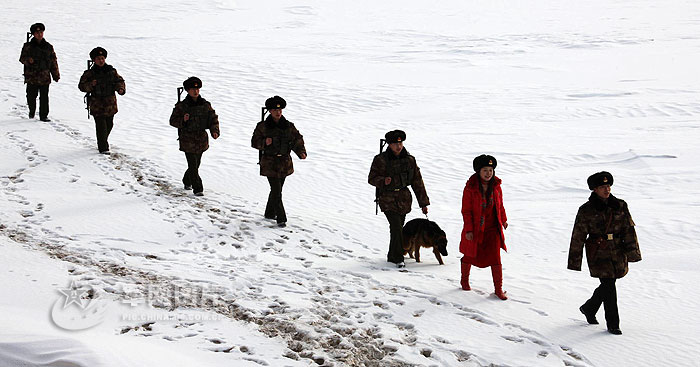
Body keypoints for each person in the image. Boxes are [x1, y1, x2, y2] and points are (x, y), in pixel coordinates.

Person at [568, 171, 641, 335]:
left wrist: (633, 253)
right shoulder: (586, 210)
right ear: (594, 189)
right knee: (608, 285)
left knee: (609, 284)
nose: (607, 190)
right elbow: (578, 235)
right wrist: (575, 261)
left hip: (617, 251)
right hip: (598, 252)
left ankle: (589, 308)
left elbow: (629, 230)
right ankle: (613, 324)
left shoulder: (620, 205)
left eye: (608, 186)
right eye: (602, 187)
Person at [368, 130, 430, 268]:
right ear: (389, 144)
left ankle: (392, 255)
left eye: (400, 143)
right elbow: (371, 179)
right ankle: (398, 257)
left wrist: (423, 203)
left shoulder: (409, 160)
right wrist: (384, 181)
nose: (398, 146)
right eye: (395, 143)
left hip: (404, 199)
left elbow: (417, 181)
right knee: (396, 227)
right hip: (387, 199)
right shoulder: (381, 159)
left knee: (398, 228)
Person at [251, 96, 306, 227]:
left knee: (277, 189)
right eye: (275, 110)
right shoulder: (263, 126)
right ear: (269, 111)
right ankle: (281, 218)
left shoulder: (288, 126)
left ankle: (269, 213)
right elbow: (254, 142)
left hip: (284, 162)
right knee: (276, 190)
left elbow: (297, 139)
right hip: (269, 162)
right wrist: (265, 142)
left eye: (280, 109)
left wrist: (301, 152)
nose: (278, 112)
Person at [459, 155, 509, 299]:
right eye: (485, 170)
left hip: (493, 229)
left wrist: (504, 220)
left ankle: (498, 289)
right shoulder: (470, 188)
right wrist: (468, 230)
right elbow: (466, 210)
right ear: (478, 171)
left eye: (490, 170)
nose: (488, 173)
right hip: (475, 229)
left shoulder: (496, 186)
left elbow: (500, 206)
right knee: (470, 255)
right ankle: (464, 281)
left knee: (495, 258)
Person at [169, 77, 220, 196]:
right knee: (193, 164)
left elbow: (213, 119)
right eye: (192, 89)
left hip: (201, 139)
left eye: (197, 89)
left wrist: (215, 131)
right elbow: (172, 121)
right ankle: (198, 188)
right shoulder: (182, 106)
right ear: (187, 90)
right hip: (188, 139)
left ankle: (187, 180)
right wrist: (183, 120)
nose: (195, 91)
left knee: (196, 164)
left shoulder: (205, 105)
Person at [78, 47, 126, 154]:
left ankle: (103, 141)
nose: (101, 60)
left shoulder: (111, 71)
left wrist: (120, 88)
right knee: (101, 127)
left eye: (103, 58)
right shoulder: (89, 73)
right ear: (94, 60)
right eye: (99, 58)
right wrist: (91, 84)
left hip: (110, 104)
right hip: (97, 104)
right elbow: (81, 86)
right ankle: (103, 148)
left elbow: (119, 80)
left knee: (109, 125)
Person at [19, 23, 60, 121]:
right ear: (33, 34)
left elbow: (53, 61)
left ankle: (43, 116)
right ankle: (32, 111)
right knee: (31, 96)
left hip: (44, 76)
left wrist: (56, 75)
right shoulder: (28, 46)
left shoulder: (48, 47)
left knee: (44, 97)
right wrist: (28, 60)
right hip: (31, 76)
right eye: (37, 33)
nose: (39, 34)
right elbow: (22, 58)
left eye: (41, 32)